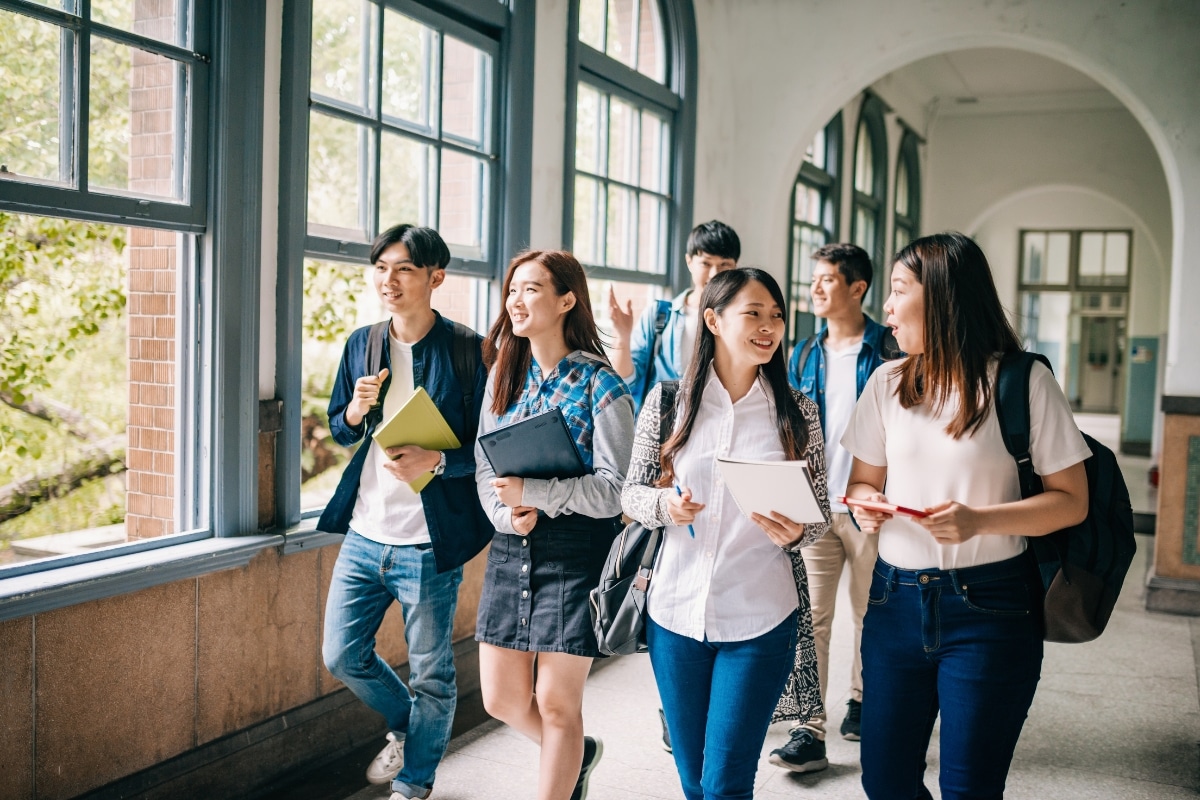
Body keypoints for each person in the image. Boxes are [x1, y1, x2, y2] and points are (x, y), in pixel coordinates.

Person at [843, 232, 1091, 799]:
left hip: (990, 607)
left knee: (969, 788)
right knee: (884, 781)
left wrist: (978, 520)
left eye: (899, 289)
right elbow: (861, 483)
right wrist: (867, 508)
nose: (885, 305)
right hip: (893, 601)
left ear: (942, 298)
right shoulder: (886, 383)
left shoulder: (1022, 381)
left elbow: (1071, 500)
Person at [620, 268, 831, 800]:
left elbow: (819, 518)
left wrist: (797, 531)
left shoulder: (798, 413)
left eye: (777, 315)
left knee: (726, 784)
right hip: (674, 616)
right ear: (713, 319)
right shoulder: (668, 403)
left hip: (761, 619)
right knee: (694, 781)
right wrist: (665, 505)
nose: (768, 326)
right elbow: (631, 496)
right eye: (753, 313)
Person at [319, 224, 492, 800]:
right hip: (366, 532)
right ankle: (409, 728)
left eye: (404, 269)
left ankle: (413, 785)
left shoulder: (469, 351)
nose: (388, 281)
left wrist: (439, 462)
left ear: (435, 278)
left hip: (428, 539)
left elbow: (492, 449)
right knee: (342, 655)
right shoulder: (361, 343)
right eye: (381, 267)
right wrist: (352, 412)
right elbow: (339, 431)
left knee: (433, 676)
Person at [474, 250, 635, 800]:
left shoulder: (602, 384)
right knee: (501, 700)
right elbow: (482, 466)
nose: (516, 302)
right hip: (510, 545)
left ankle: (560, 769)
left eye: (532, 290)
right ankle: (578, 755)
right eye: (512, 290)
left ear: (567, 300)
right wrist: (506, 510)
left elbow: (617, 490)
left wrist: (536, 494)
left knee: (558, 704)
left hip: (576, 549)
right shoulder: (503, 375)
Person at [770, 243, 899, 773]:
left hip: (871, 507)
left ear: (857, 288)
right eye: (814, 279)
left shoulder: (890, 350)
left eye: (826, 280)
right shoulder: (801, 354)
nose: (815, 288)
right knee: (811, 618)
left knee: (871, 614)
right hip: (816, 510)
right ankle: (809, 726)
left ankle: (864, 700)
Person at [608, 220, 740, 411]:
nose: (714, 273)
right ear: (689, 262)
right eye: (706, 263)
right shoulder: (660, 316)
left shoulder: (742, 320)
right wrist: (622, 337)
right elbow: (627, 383)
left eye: (724, 265)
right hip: (662, 430)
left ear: (736, 267)